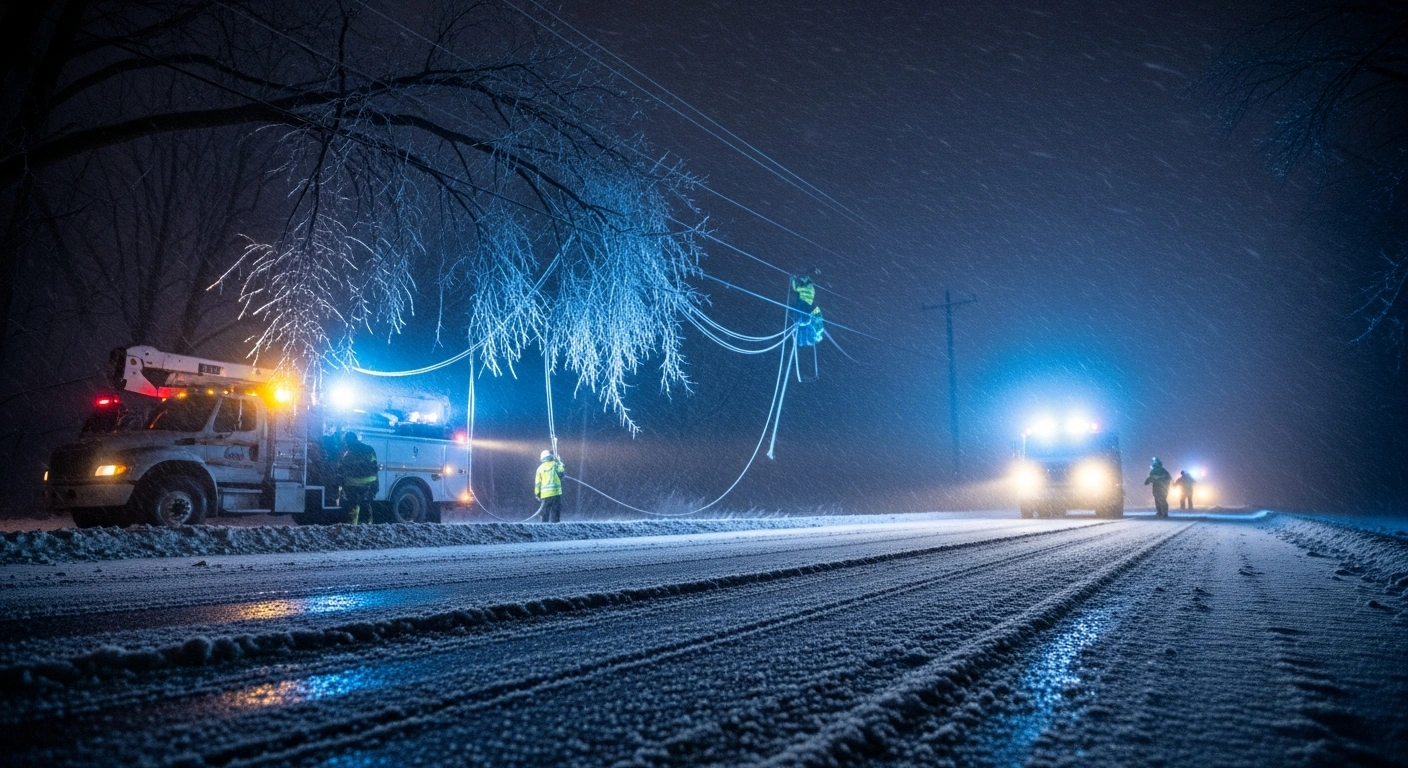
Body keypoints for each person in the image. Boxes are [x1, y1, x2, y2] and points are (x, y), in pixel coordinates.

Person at [339, 431, 379, 524]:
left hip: (352, 483)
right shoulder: (369, 449)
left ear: (347, 441)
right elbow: (374, 466)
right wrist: (376, 484)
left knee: (353, 505)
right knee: (366, 504)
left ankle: (353, 526)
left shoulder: (348, 454)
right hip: (369, 482)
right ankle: (368, 526)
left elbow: (342, 469)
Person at [534, 449, 566, 523]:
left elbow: (538, 483)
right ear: (550, 456)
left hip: (545, 495)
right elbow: (562, 471)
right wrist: (559, 461)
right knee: (556, 511)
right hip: (556, 493)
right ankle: (556, 527)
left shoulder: (540, 468)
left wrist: (537, 493)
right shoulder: (555, 464)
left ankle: (544, 526)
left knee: (545, 512)